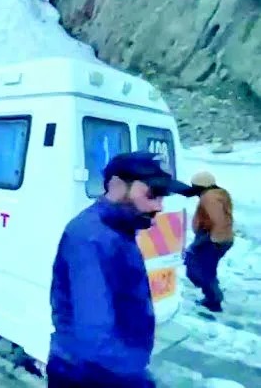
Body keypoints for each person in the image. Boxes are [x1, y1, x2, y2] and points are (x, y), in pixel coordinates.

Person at [47, 151, 193, 388]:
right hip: (87, 375)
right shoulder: (91, 237)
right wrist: (136, 379)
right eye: (152, 194)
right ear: (116, 186)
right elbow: (95, 334)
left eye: (162, 197)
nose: (159, 205)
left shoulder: (118, 230)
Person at [184, 171, 234, 312]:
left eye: (194, 186)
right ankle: (211, 292)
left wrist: (214, 240)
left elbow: (219, 220)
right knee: (199, 265)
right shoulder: (217, 193)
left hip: (212, 238)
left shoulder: (209, 197)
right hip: (215, 237)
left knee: (202, 269)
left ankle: (213, 300)